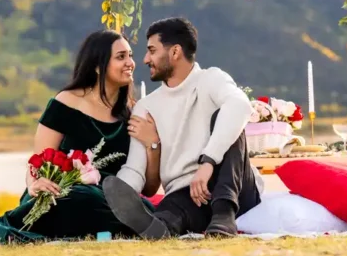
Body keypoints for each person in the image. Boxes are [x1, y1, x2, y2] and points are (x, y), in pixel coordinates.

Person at [0, 29, 162, 250]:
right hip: (62, 191)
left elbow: (150, 188)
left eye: (130, 55)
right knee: (80, 197)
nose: (130, 63)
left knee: (136, 208)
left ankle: (111, 227)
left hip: (114, 199)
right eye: (121, 57)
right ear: (97, 66)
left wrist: (153, 143)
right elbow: (38, 162)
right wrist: (34, 183)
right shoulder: (67, 102)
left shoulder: (134, 113)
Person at [102, 17, 260, 239]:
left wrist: (208, 162)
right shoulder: (146, 107)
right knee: (170, 211)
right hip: (189, 195)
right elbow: (135, 168)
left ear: (175, 52)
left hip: (236, 189)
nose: (145, 59)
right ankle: (161, 226)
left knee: (227, 115)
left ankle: (224, 214)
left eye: (152, 51)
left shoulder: (211, 79)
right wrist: (119, 193)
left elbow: (241, 106)